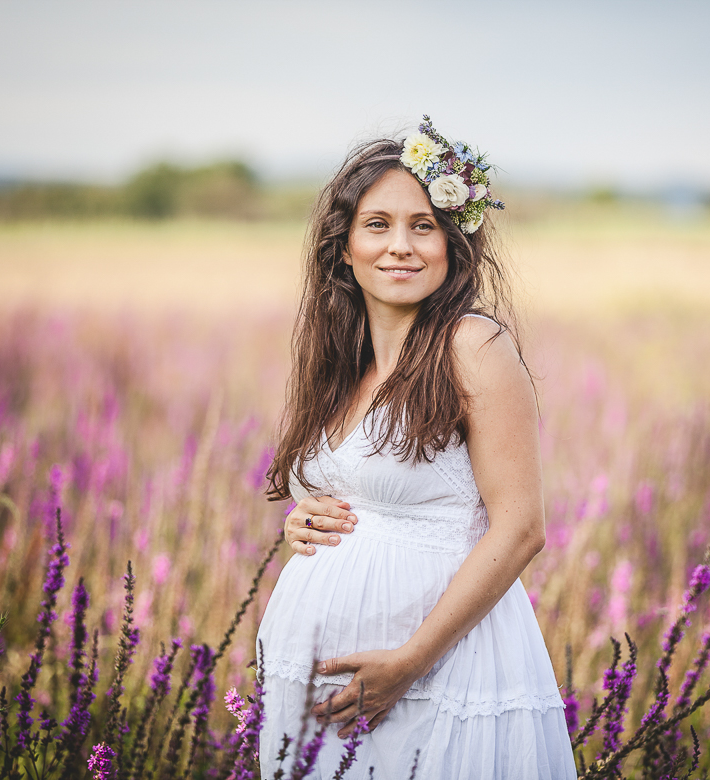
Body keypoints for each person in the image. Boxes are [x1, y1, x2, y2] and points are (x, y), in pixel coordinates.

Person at [257, 117, 576, 779]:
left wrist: (408, 664)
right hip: (326, 697)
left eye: (423, 225)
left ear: (452, 244)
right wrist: (304, 521)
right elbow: (352, 494)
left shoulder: (472, 347)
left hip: (439, 677)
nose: (400, 246)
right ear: (343, 247)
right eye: (377, 225)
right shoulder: (340, 361)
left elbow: (520, 529)